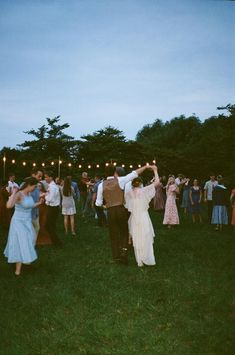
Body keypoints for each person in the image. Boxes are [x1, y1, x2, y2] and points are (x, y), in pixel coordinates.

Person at [96, 164, 149, 264]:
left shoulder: (100, 185)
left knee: (113, 233)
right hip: (121, 209)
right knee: (124, 231)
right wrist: (145, 167)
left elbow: (98, 203)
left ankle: (116, 256)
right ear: (114, 172)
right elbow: (134, 173)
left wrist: (106, 206)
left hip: (110, 211)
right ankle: (124, 253)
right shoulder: (120, 180)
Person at [4, 177, 43, 276]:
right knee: (21, 243)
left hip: (27, 222)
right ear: (29, 185)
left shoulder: (28, 194)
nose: (35, 188)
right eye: (34, 186)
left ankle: (25, 260)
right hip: (18, 222)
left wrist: (38, 203)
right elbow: (8, 206)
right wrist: (13, 193)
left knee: (30, 240)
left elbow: (29, 206)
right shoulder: (19, 194)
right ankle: (18, 271)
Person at [125, 166, 160, 267]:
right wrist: (155, 170)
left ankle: (139, 261)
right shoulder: (144, 191)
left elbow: (126, 205)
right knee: (146, 237)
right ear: (140, 183)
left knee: (137, 238)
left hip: (134, 218)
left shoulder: (128, 194)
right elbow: (157, 183)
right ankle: (148, 258)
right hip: (143, 216)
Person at [44, 171, 63, 246]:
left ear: (50, 177)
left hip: (52, 208)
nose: (45, 178)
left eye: (46, 177)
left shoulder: (52, 187)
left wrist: (45, 196)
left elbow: (50, 199)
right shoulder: (52, 186)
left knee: (49, 226)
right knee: (50, 225)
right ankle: (54, 241)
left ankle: (57, 243)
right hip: (53, 208)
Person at [31, 168, 43, 238]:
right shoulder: (25, 185)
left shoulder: (37, 186)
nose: (40, 178)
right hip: (28, 214)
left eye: (41, 176)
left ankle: (32, 246)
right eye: (39, 176)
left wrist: (40, 198)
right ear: (33, 175)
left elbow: (36, 196)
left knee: (37, 228)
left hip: (35, 212)